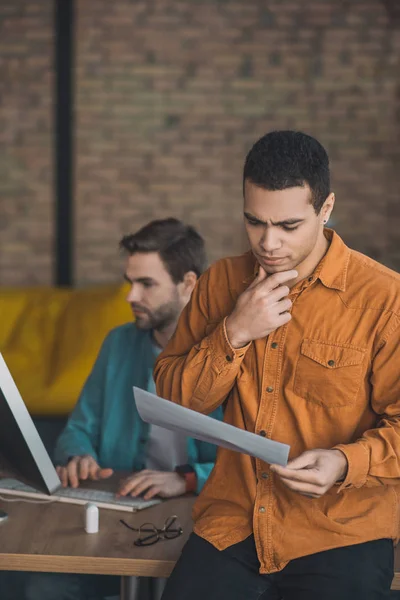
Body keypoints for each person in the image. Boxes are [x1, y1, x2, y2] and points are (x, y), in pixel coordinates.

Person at [154, 131, 400, 600]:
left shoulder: (386, 300)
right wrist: (235, 331)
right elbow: (173, 399)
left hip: (341, 531)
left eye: (288, 225)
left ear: (325, 209)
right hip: (233, 523)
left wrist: (345, 461)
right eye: (254, 222)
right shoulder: (220, 283)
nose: (268, 243)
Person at [21, 217, 222, 600]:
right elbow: (78, 428)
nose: (130, 296)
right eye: (130, 281)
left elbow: (258, 464)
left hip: (199, 520)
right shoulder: (118, 343)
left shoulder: (229, 355)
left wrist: (187, 478)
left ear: (189, 284)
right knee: (45, 587)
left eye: (146, 284)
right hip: (119, 511)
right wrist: (79, 454)